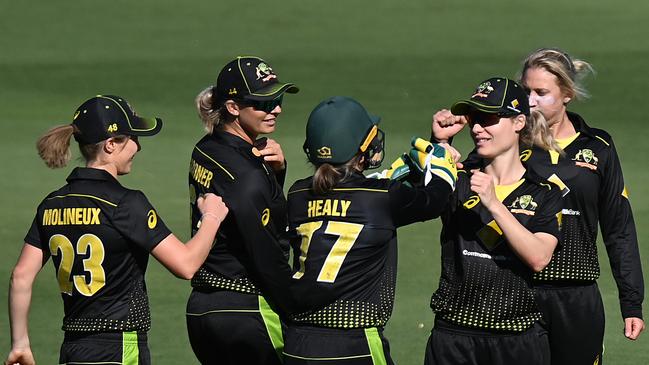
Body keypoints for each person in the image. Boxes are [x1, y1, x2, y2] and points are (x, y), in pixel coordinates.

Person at [432, 49, 645, 364]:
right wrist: (442, 144)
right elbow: (455, 185)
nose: (530, 100)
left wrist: (631, 301)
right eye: (527, 90)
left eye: (541, 93)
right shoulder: (509, 143)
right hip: (518, 291)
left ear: (567, 94)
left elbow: (619, 227)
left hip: (574, 293)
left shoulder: (597, 147)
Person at [5, 95, 228, 365]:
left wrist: (20, 343)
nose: (139, 147)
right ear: (110, 145)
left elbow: (20, 276)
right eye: (133, 138)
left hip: (72, 350)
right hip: (119, 348)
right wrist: (212, 218)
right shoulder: (125, 203)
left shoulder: (52, 204)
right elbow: (186, 265)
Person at [282, 96, 457, 365]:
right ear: (362, 147)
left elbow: (347, 196)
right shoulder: (383, 198)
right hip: (354, 345)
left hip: (297, 344)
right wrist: (442, 161)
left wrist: (393, 175)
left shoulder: (297, 194)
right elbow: (435, 199)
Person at [425, 78, 563, 365]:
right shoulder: (457, 180)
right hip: (454, 338)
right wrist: (439, 143)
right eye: (475, 119)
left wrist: (494, 204)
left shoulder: (544, 193)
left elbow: (539, 258)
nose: (477, 129)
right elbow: (418, 196)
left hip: (515, 340)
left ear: (518, 122)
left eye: (489, 119)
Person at [185, 56, 300, 365]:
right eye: (263, 102)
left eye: (277, 98)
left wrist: (274, 174)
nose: (276, 108)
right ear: (233, 107)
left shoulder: (205, 148)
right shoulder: (247, 175)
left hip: (202, 311)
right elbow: (267, 256)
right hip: (247, 311)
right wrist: (298, 311)